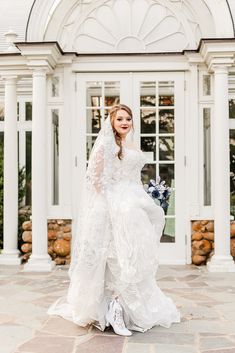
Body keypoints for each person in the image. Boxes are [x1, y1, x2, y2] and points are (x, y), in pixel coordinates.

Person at [47, 104, 181, 336]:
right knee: (114, 256)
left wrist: (143, 196)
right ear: (111, 121)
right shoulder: (106, 145)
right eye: (120, 118)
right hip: (113, 205)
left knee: (131, 254)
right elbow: (95, 180)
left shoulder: (129, 145)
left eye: (128, 118)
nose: (125, 122)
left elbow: (131, 177)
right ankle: (113, 308)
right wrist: (116, 202)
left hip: (132, 202)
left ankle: (126, 308)